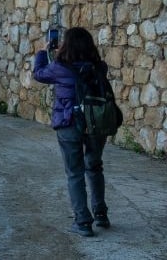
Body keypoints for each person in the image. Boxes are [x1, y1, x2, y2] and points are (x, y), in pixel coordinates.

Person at [32, 26, 111, 238]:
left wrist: (43, 51)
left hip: (69, 123)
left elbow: (38, 74)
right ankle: (101, 214)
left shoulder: (59, 67)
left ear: (65, 44)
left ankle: (83, 221)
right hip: (96, 124)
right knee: (94, 167)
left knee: (75, 172)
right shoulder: (99, 67)